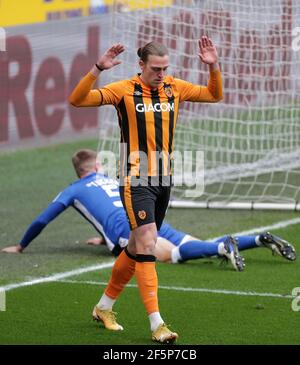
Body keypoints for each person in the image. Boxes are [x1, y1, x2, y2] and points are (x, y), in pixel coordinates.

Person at [69, 38, 223, 343]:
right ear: (142, 66)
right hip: (135, 179)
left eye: (165, 68)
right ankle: (157, 325)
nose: (161, 73)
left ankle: (103, 307)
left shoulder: (174, 87)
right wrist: (98, 68)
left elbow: (214, 95)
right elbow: (77, 100)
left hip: (164, 179)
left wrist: (213, 66)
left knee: (138, 247)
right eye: (156, 68)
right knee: (149, 243)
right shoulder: (123, 89)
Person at [2, 149, 296, 269]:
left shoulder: (73, 190)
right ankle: (256, 240)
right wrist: (103, 238)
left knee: (174, 257)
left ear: (78, 171)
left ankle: (223, 251)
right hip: (149, 217)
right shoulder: (110, 179)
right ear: (98, 167)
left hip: (126, 228)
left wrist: (21, 245)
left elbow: (43, 219)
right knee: (193, 244)